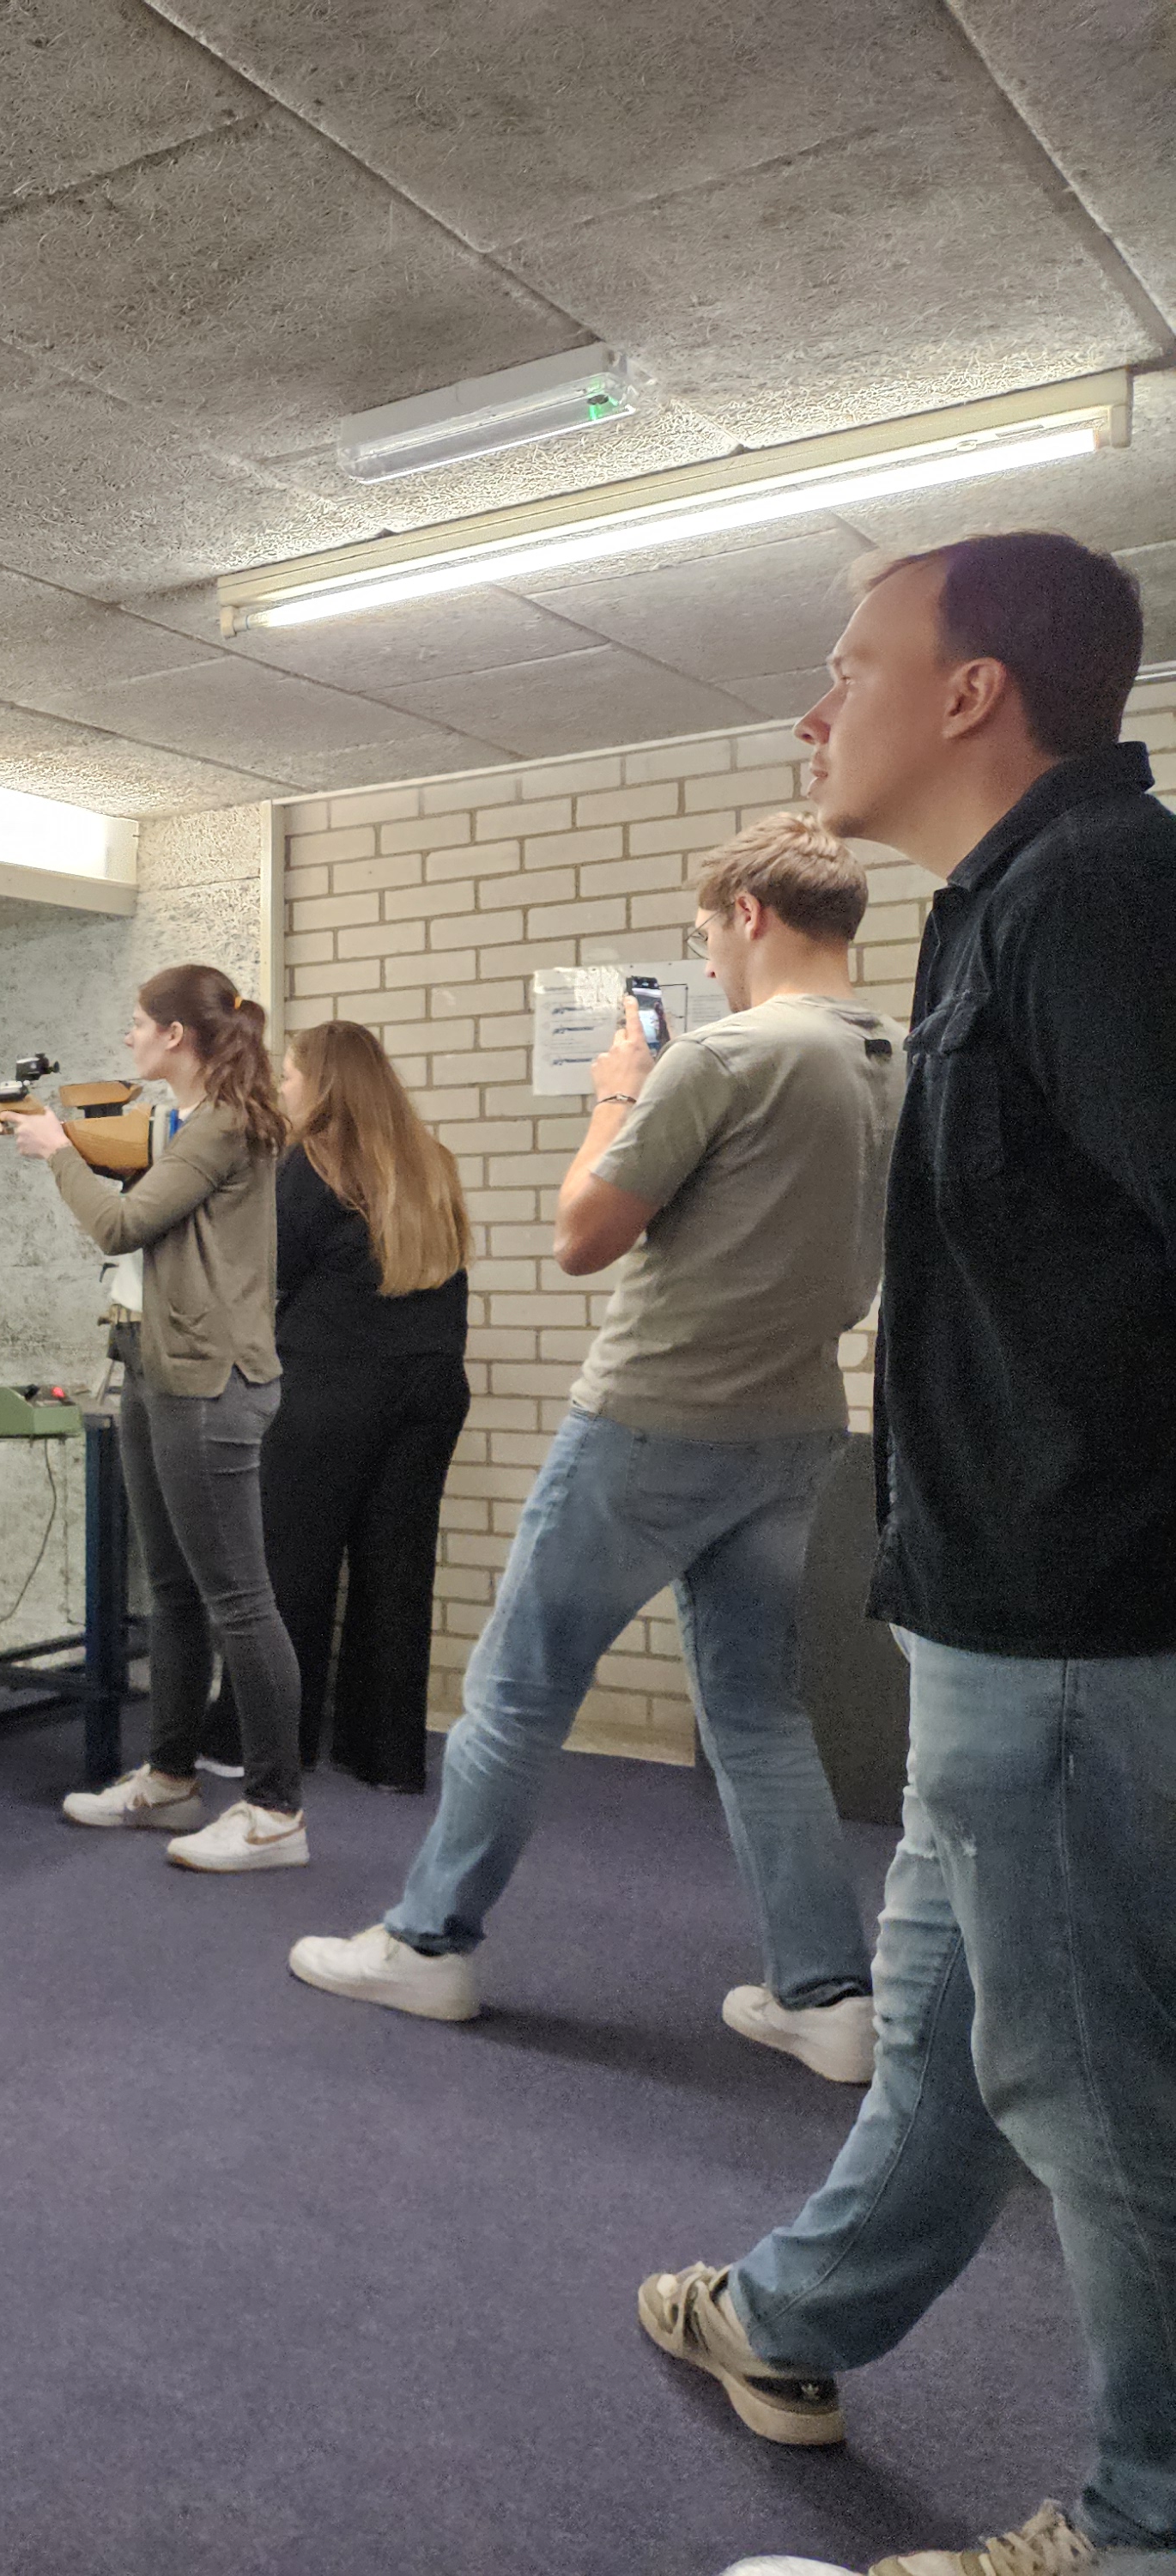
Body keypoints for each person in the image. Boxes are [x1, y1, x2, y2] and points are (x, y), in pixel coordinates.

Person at [642, 535, 1176, 2576]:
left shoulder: (1096, 897)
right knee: (950, 2031)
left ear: (970, 692)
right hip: (992, 1617)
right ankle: (787, 2317)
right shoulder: (1003, 906)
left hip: (1075, 1621)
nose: (812, 709)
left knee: (1093, 2086)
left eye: (848, 664)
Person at [290, 813, 896, 2081]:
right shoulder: (898, 1054)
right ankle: (829, 1996)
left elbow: (582, 1234)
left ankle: (427, 1943)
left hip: (653, 1419)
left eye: (706, 934)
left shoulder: (725, 1055)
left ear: (748, 916)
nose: (708, 961)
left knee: (516, 1689)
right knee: (758, 1713)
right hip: (796, 1426)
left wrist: (617, 1093)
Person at [4, 964, 307, 1871]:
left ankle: (275, 1812)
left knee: (239, 1601)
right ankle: (170, 1779)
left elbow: (121, 1226)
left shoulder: (220, 1123)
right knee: (173, 1592)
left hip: (204, 1380)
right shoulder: (186, 1120)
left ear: (177, 1035)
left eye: (140, 1022)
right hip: (153, 1364)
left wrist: (56, 1149)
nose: (129, 1036)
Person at [229, 1021, 473, 1794]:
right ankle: (387, 1756)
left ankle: (275, 1745)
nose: (283, 1087)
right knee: (396, 1571)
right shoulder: (430, 1161)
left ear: (323, 1082)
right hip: (431, 1388)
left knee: (292, 1567)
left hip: (329, 1387)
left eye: (291, 1074)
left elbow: (268, 1271)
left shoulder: (310, 1162)